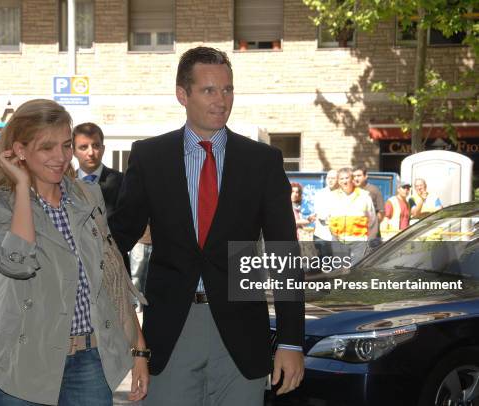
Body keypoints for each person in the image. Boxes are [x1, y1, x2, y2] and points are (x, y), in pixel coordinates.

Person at [110, 47, 304, 406]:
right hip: (171, 330)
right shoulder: (150, 157)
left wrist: (291, 341)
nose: (222, 100)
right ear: (182, 95)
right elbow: (115, 242)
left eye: (227, 89)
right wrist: (128, 327)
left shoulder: (262, 160)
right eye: (209, 90)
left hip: (242, 334)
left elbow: (284, 253)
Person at [0, 99, 148, 406]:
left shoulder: (87, 196)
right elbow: (18, 262)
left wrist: (139, 349)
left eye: (66, 145)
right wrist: (23, 185)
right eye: (46, 147)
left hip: (90, 360)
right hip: (22, 362)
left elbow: (112, 276)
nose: (61, 157)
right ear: (20, 150)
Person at [72, 122, 123, 219]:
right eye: (83, 147)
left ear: (103, 149)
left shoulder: (122, 182)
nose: (91, 153)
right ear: (73, 151)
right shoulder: (65, 184)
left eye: (95, 146)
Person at [329, 167, 376, 242]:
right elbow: (329, 219)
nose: (344, 181)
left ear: (352, 179)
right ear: (338, 181)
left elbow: (372, 220)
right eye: (341, 179)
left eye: (347, 178)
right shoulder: (332, 196)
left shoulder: (364, 196)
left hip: (359, 241)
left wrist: (368, 239)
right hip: (338, 241)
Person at [352, 167, 384, 239]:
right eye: (354, 176)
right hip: (355, 233)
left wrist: (373, 226)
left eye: (359, 176)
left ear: (366, 176)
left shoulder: (373, 190)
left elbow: (381, 212)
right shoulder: (350, 191)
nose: (356, 178)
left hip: (370, 234)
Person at [312, 169, 338, 256]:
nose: (330, 180)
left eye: (333, 178)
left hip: (338, 237)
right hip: (321, 235)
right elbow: (320, 213)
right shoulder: (320, 194)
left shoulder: (342, 194)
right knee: (322, 264)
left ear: (338, 179)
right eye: (328, 178)